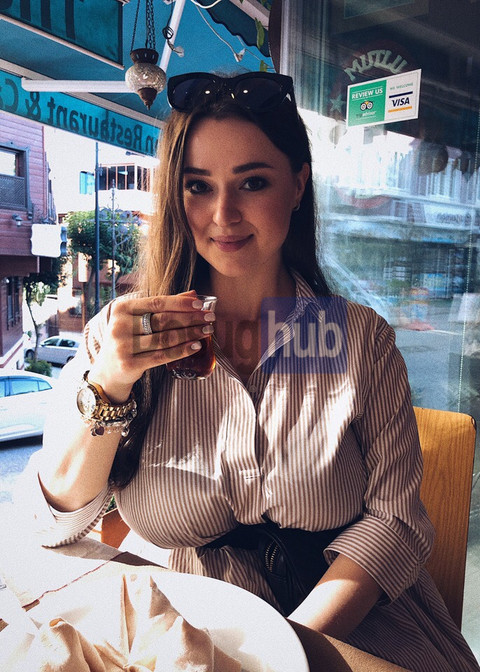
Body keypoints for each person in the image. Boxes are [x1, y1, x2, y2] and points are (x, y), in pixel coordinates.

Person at [18, 71, 479, 671]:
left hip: (353, 628)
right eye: (198, 186)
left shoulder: (346, 336)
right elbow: (56, 523)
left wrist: (279, 648)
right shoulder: (127, 334)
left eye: (252, 182)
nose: (223, 214)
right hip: (192, 627)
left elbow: (396, 522)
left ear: (298, 185)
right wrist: (109, 383)